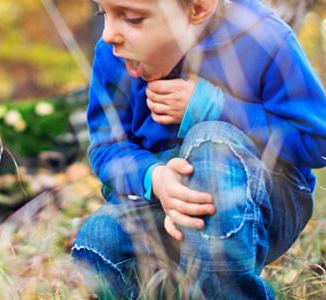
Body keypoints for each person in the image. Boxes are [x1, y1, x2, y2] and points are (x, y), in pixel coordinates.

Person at [72, 0, 326, 298]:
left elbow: (317, 141)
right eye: (104, 14)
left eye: (132, 18)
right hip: (160, 208)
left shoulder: (260, 36)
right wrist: (154, 178)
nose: (108, 35)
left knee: (211, 142)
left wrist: (216, 107)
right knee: (97, 241)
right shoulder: (112, 57)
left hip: (266, 200)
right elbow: (107, 147)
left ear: (197, 9)